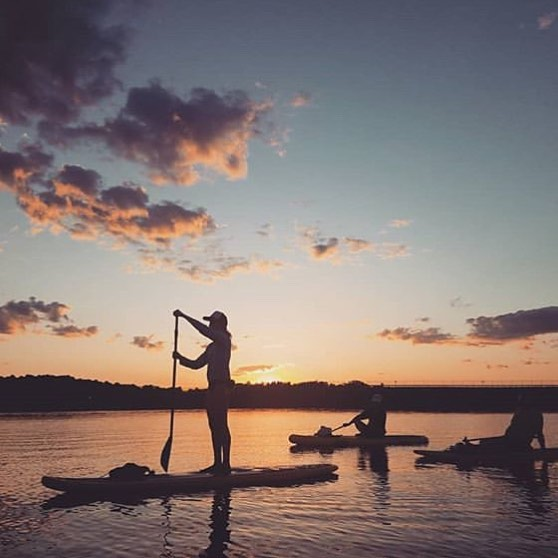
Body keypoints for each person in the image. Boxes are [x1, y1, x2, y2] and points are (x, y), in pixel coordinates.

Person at [172, 309, 233, 475]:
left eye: (213, 322)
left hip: (222, 387)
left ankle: (225, 465)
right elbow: (196, 364)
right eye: (210, 322)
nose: (210, 325)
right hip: (212, 389)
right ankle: (217, 463)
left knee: (221, 425)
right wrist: (180, 358)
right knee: (213, 426)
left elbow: (203, 330)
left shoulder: (224, 340)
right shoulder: (212, 347)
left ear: (220, 324)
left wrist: (184, 316)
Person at [479, 394, 546, 451]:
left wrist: (543, 449)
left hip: (519, 443)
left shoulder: (535, 414)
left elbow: (540, 434)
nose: (520, 403)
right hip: (509, 439)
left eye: (522, 401)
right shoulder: (519, 411)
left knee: (485, 444)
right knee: (483, 442)